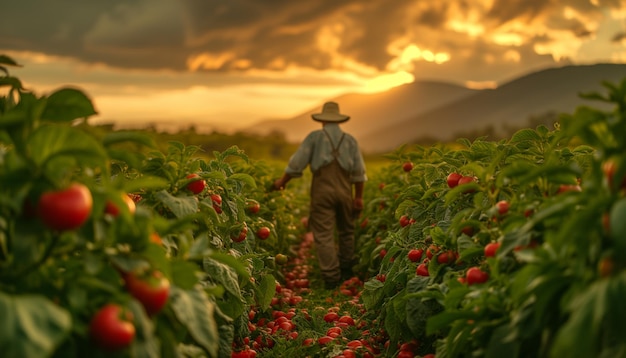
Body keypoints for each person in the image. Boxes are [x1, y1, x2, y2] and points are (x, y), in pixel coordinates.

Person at [272, 101, 367, 289]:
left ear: (322, 121)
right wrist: (358, 197)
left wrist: (281, 183)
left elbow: (296, 164)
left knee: (323, 234)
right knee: (346, 231)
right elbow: (359, 173)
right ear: (338, 120)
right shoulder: (350, 140)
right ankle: (347, 272)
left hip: (322, 190)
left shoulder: (314, 138)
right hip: (345, 189)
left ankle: (331, 278)